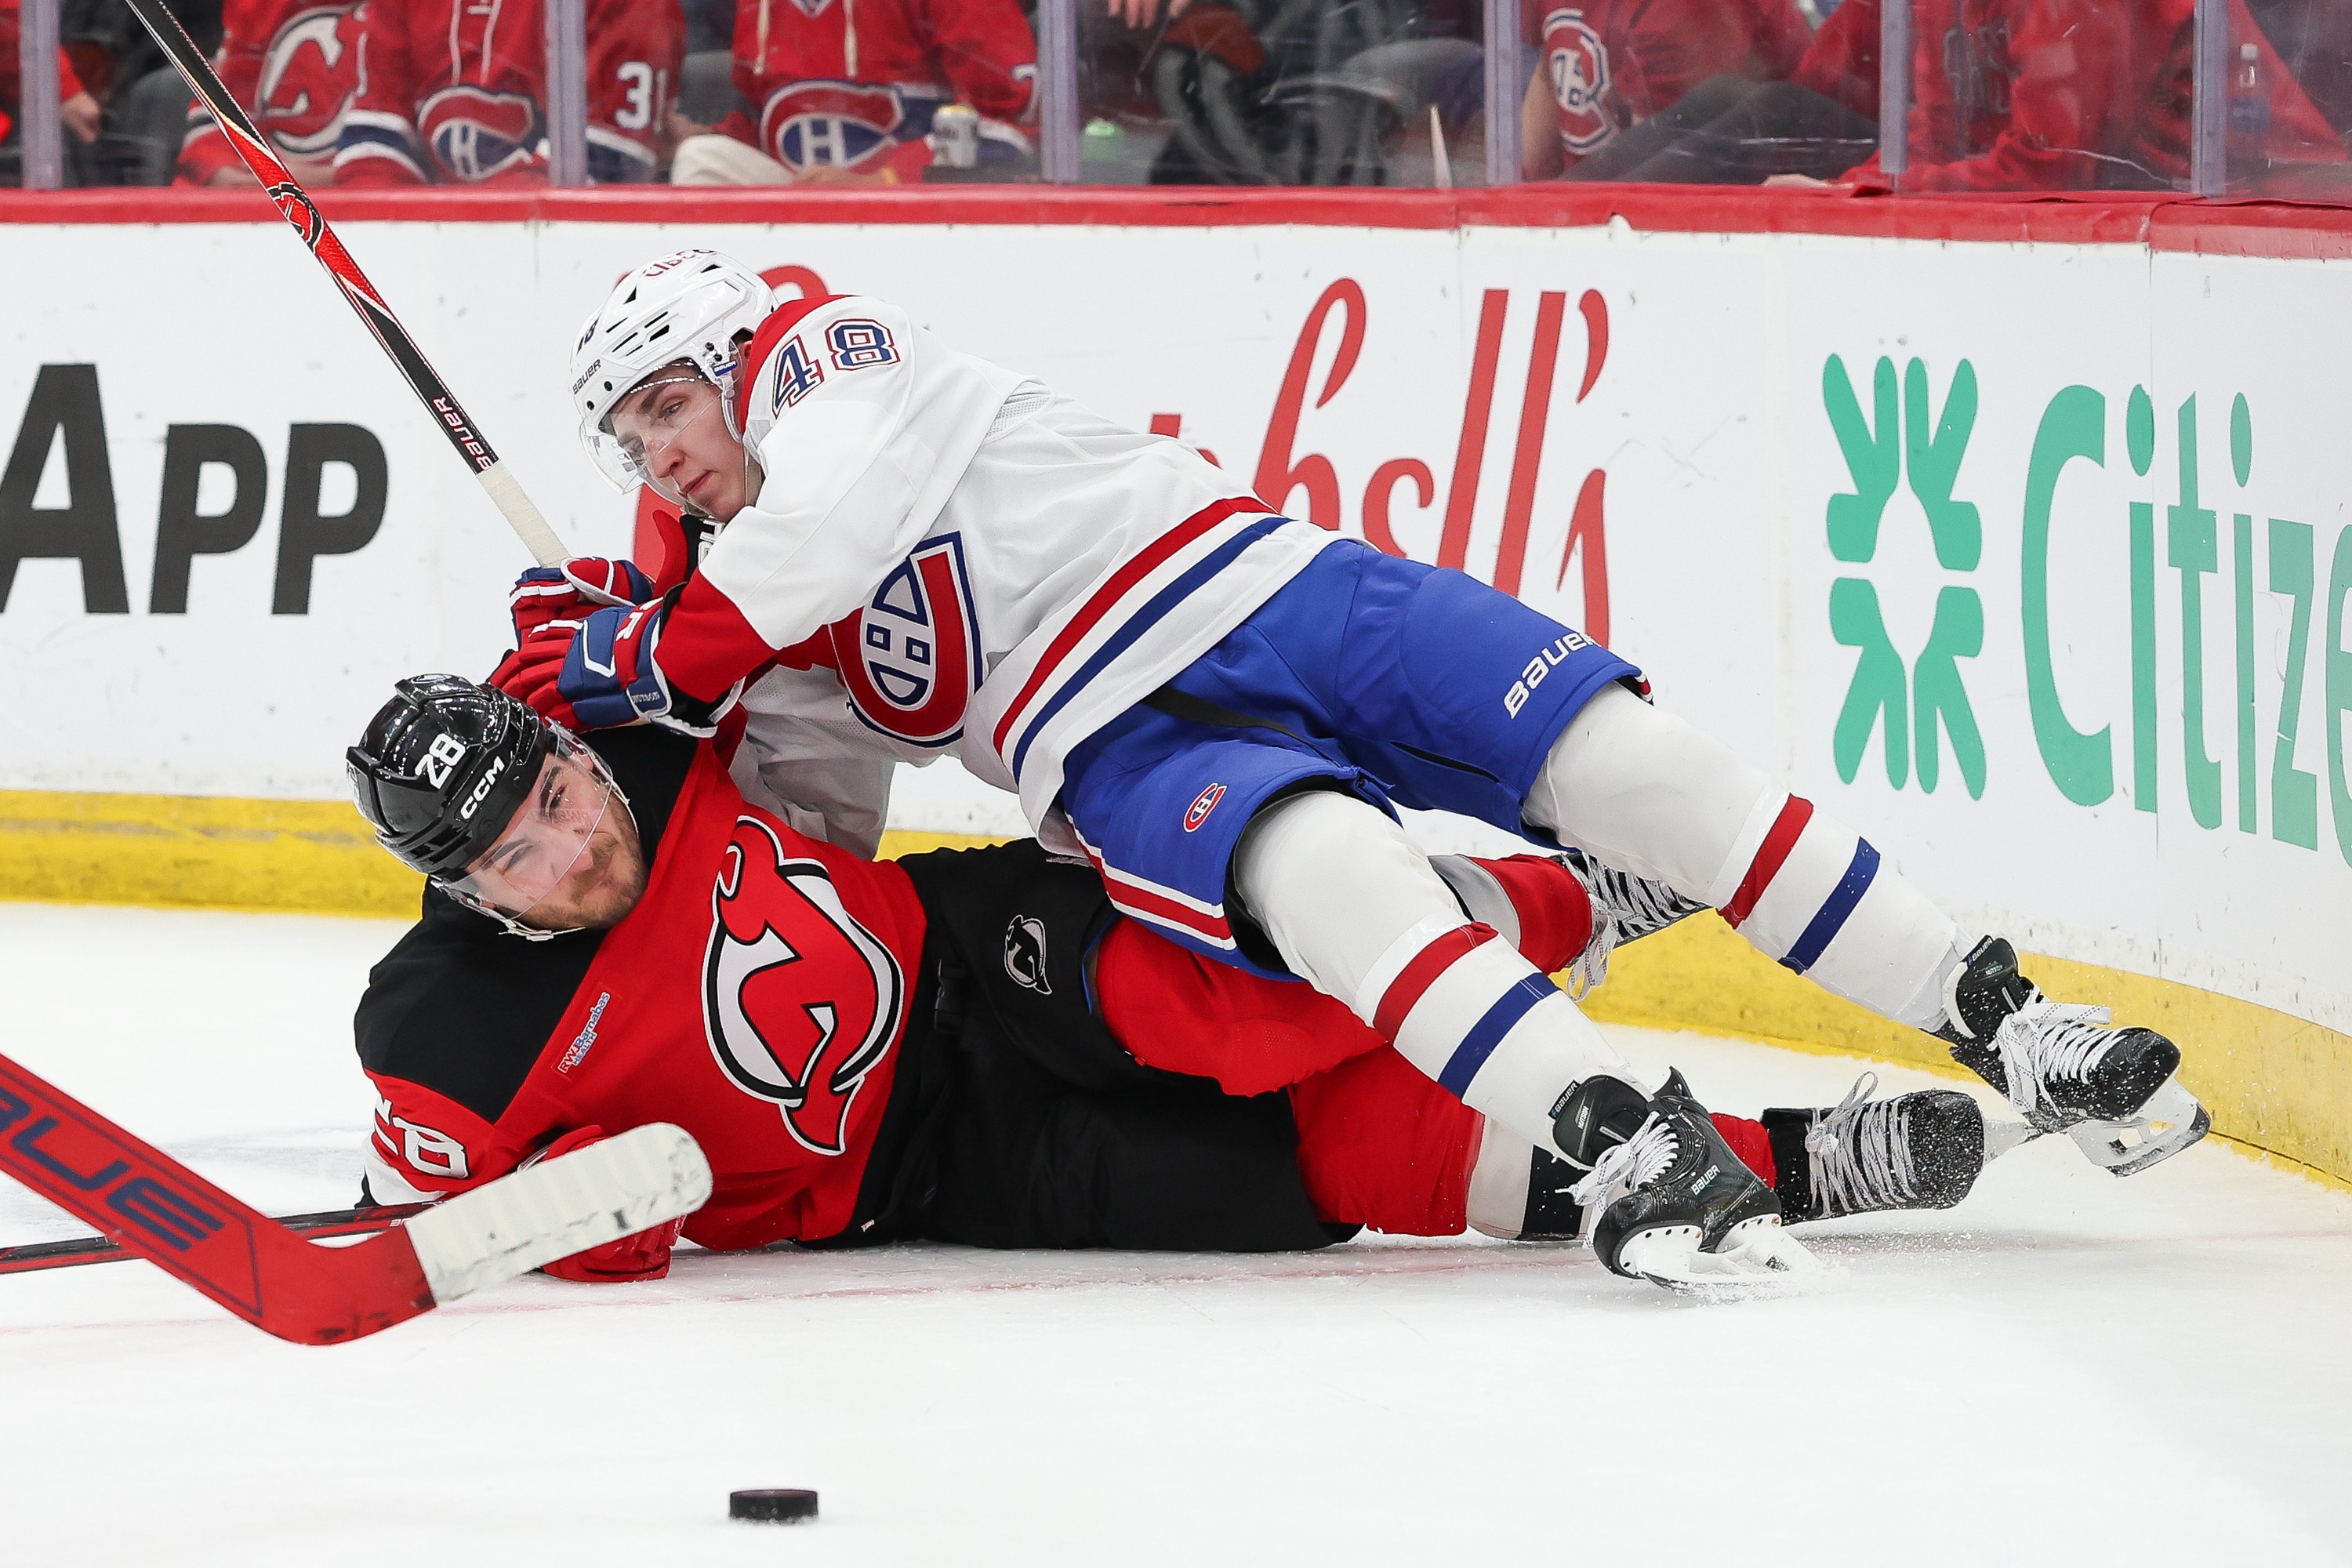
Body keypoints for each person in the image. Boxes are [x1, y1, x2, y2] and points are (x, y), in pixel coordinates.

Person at [493, 251, 2207, 1280]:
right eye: (633, 443)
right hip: (1120, 739)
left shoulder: (818, 353)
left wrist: (648, 642)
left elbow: (830, 521)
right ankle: (1630, 1143)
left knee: (1642, 762)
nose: (662, 452)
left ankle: (2009, 1021)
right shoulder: (735, 603)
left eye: (660, 408)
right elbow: (792, 831)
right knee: (1336, 890)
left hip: (1268, 581)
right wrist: (616, 726)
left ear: (723, 349)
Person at [347, 675, 2017, 1284]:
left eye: (555, 803)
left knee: (1249, 1009)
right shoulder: (441, 1038)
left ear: (565, 755)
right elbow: (481, 1225)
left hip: (972, 953)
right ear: (460, 892)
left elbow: (735, 584)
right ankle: (1807, 1156)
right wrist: (575, 1224)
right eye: (515, 864)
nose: (570, 856)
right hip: (924, 1171)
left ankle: (1564, 899)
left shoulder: (633, 728)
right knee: (1335, 1170)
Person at [1780, 0, 2342, 192]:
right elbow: (1939, 135)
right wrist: (1846, 191)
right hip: (2135, 221)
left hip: (2264, 224)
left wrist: (1864, 194)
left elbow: (2055, 165)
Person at [668, 0, 1035, 186]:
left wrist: (883, 182)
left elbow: (1011, 127)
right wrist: (717, 137)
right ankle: (739, 321)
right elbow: (780, 125)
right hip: (803, 208)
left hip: (918, 216)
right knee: (701, 159)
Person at [332, 0, 682, 186]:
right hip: (440, 245)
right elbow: (374, 147)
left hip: (564, 256)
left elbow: (610, 162)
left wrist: (470, 226)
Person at [177, 0, 363, 187]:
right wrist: (223, 174)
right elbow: (219, 118)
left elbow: (382, 160)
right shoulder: (260, 7)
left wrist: (323, 178)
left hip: (356, 202)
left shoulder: (389, 18)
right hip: (252, 197)